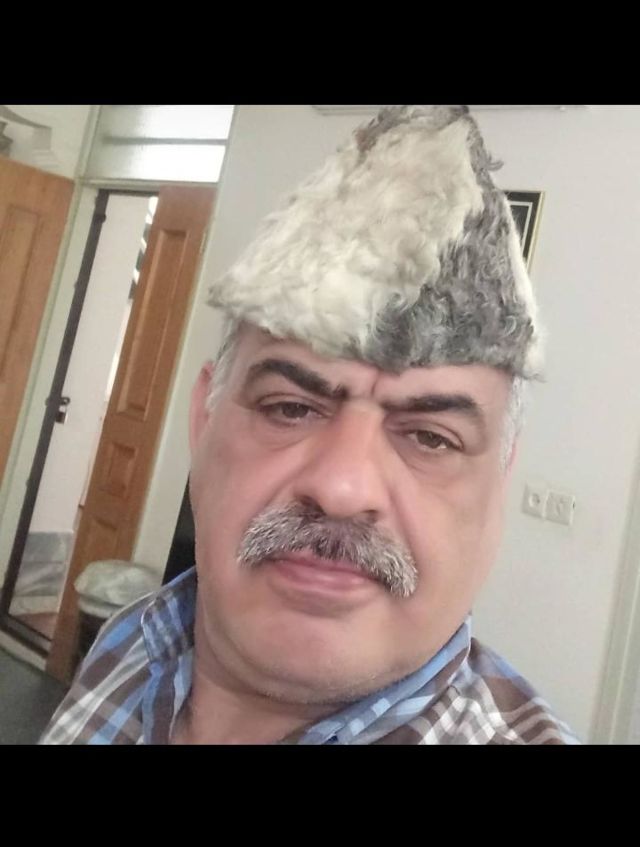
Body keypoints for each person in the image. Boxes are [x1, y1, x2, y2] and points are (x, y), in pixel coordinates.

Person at [41, 105, 578, 745]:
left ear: (500, 480)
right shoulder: (126, 646)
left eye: (431, 438)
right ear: (203, 419)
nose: (342, 487)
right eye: (290, 408)